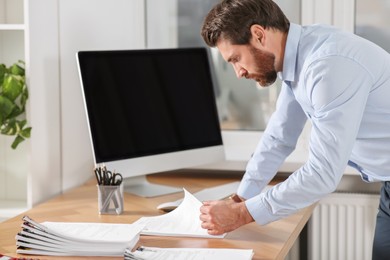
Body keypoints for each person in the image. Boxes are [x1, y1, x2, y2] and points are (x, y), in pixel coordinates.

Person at [198, 0, 390, 259]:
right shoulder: (300, 55)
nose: (238, 73)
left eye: (236, 59)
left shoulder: (326, 66)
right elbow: (279, 136)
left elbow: (323, 174)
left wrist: (242, 215)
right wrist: (241, 198)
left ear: (258, 35)